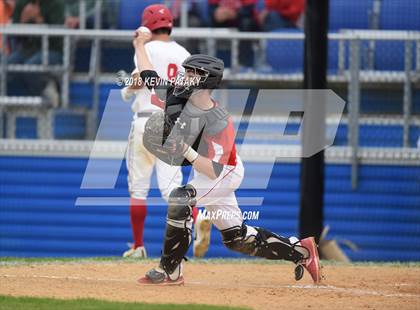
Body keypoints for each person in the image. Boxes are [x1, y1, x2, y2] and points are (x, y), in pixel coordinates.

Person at [132, 28, 322, 285]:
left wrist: (184, 150)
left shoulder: (219, 122)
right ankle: (301, 250)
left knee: (180, 199)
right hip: (206, 171)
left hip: (224, 172)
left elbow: (215, 170)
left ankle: (170, 271)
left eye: (191, 73)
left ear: (205, 80)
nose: (184, 76)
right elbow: (149, 76)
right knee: (237, 238)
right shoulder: (177, 93)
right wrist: (139, 46)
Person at [120, 4, 211, 259]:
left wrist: (126, 90)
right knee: (172, 189)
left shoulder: (146, 47)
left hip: (144, 120)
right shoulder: (184, 52)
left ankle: (138, 246)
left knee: (138, 190)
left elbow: (139, 79)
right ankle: (198, 216)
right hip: (172, 122)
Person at [7, 0, 64, 105]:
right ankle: (9, 107)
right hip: (27, 51)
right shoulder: (22, 4)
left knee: (31, 66)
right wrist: (23, 21)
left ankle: (48, 94)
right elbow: (15, 37)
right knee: (5, 65)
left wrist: (39, 20)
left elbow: (58, 39)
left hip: (53, 51)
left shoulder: (56, 4)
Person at [208, 0, 259, 68]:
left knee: (247, 23)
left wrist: (235, 13)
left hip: (240, 19)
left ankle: (244, 64)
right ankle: (208, 63)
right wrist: (216, 12)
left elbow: (249, 10)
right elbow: (211, 8)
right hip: (220, 18)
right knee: (208, 21)